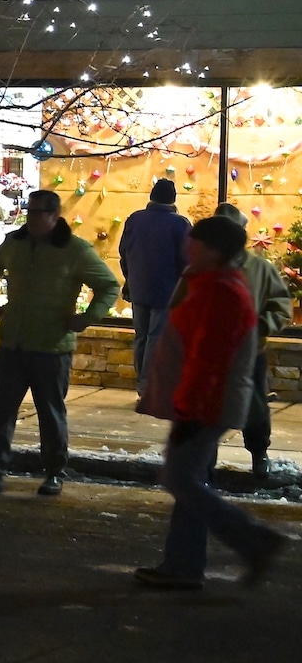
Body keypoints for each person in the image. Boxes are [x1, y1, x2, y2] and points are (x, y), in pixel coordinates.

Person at [134, 216, 290, 590]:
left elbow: (209, 359)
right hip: (200, 401)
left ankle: (253, 540)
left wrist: (189, 411)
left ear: (215, 250)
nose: (188, 247)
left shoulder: (222, 291)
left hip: (206, 404)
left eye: (195, 243)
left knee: (181, 479)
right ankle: (184, 565)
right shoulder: (204, 283)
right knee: (186, 480)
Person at [0, 189, 122, 496]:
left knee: (50, 413)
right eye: (30, 211)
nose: (32, 218)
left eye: (38, 212)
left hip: (51, 347)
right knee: (1, 411)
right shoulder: (16, 243)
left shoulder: (74, 249)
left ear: (54, 215)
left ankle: (54, 472)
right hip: (14, 342)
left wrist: (86, 318)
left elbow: (108, 286)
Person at [213, 203, 295, 479]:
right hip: (210, 353)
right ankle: (204, 459)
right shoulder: (201, 267)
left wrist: (262, 326)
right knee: (208, 408)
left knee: (255, 407)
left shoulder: (259, 269)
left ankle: (259, 454)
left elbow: (282, 304)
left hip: (250, 352)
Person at [120, 179, 189, 388]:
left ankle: (142, 383)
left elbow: (124, 252)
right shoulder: (179, 224)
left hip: (138, 288)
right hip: (167, 290)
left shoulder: (134, 219)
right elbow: (187, 259)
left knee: (141, 336)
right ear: (173, 198)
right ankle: (148, 386)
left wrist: (130, 278)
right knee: (156, 337)